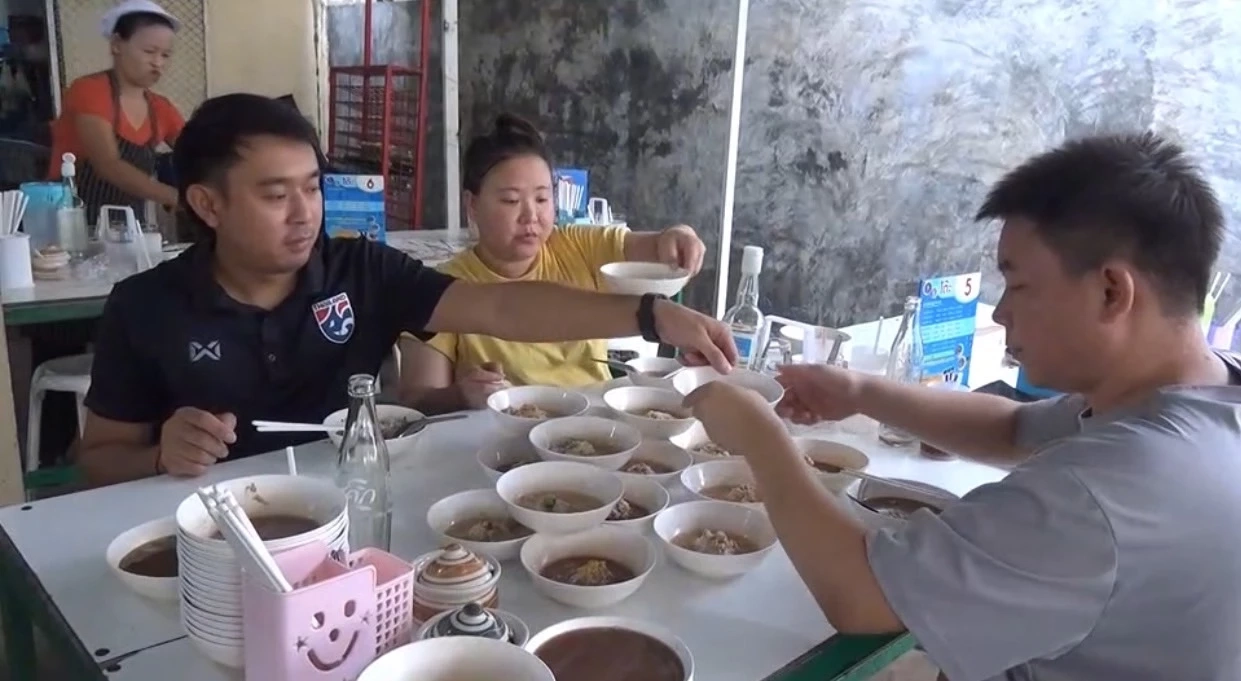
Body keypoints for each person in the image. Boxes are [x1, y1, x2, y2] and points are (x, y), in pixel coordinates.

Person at [686, 132, 1241, 681]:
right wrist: (860, 392)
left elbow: (863, 598)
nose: (1000, 316)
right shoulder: (1199, 399)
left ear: (1112, 292)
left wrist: (762, 439)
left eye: (1018, 286)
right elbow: (1016, 429)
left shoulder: (1102, 495)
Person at [77, 94, 736, 487]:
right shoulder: (145, 307)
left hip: (355, 501)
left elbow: (502, 304)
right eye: (277, 195)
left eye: (312, 187)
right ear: (207, 204)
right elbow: (99, 459)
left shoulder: (362, 271)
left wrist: (649, 312)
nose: (306, 212)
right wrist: (159, 453)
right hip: (209, 524)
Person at [397, 114, 707, 413]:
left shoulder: (580, 247)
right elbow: (417, 398)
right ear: (472, 205)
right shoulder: (446, 286)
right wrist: (461, 394)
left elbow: (658, 245)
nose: (531, 216)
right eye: (511, 201)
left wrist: (680, 235)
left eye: (543, 199)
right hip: (503, 438)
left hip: (596, 424)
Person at [47, 0, 183, 225]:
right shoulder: (89, 90)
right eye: (149, 51)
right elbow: (108, 165)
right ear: (117, 45)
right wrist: (175, 197)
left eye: (166, 55)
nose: (158, 63)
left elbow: (198, 152)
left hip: (127, 227)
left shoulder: (161, 108)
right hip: (70, 224)